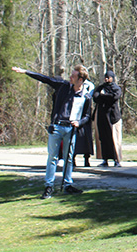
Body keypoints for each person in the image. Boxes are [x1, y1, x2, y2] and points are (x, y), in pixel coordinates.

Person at [12, 65, 92, 199]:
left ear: (81, 79)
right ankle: (49, 186)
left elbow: (87, 115)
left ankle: (67, 184)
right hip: (57, 126)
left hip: (71, 128)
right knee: (52, 158)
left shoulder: (86, 96)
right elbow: (45, 79)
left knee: (69, 158)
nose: (70, 77)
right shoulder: (63, 86)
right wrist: (26, 72)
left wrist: (79, 123)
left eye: (73, 76)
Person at [93, 70, 123, 166]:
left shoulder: (116, 88)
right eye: (105, 77)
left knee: (114, 138)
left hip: (113, 117)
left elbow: (114, 97)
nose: (106, 79)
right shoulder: (101, 87)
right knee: (104, 138)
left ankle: (117, 160)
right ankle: (105, 159)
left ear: (112, 78)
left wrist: (103, 96)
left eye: (108, 77)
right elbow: (96, 97)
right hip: (102, 116)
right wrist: (104, 96)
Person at [74, 77, 95, 167]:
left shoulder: (89, 86)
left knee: (86, 138)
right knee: (74, 139)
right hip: (75, 114)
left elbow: (90, 97)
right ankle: (73, 158)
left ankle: (87, 159)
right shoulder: (73, 87)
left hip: (85, 114)